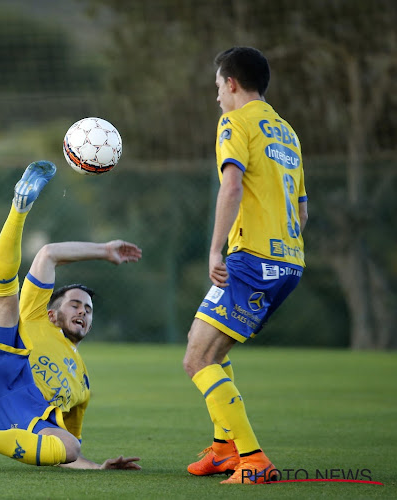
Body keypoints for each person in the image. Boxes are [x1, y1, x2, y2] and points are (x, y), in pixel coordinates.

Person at [0, 160, 142, 469]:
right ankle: (19, 208)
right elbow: (48, 254)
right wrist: (103, 250)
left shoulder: (82, 384)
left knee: (70, 446)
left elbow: (64, 449)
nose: (82, 312)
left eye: (88, 309)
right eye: (74, 304)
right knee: (6, 301)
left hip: (19, 416)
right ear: (52, 314)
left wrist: (98, 468)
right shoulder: (37, 315)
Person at [183, 47, 307, 485]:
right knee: (215, 353)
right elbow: (302, 209)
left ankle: (253, 459)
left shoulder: (235, 122)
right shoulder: (287, 132)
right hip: (289, 261)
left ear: (231, 83)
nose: (217, 97)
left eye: (218, 87)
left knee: (197, 359)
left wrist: (216, 251)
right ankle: (223, 450)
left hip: (252, 259)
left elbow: (231, 185)